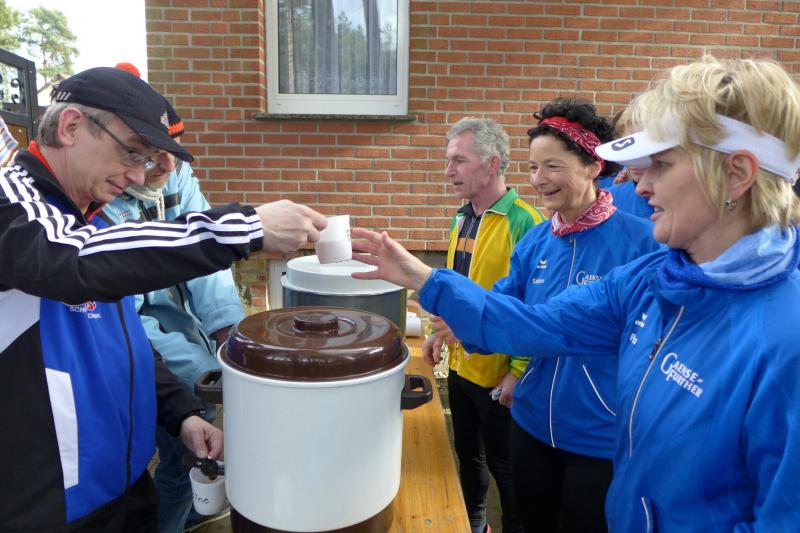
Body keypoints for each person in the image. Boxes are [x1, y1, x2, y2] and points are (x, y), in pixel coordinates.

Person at [351, 55, 800, 531]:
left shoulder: (784, 339)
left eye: (662, 164)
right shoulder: (650, 280)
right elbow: (534, 323)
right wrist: (427, 279)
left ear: (737, 174)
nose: (640, 186)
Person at [0, 67, 326, 531]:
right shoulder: (14, 203)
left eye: (149, 159)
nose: (139, 174)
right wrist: (245, 227)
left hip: (126, 491)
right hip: (48, 509)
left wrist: (181, 413)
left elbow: (123, 339)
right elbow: (71, 261)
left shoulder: (92, 219)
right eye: (132, 152)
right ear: (71, 126)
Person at [483, 98, 657, 532]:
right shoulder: (536, 241)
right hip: (530, 423)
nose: (538, 179)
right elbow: (504, 309)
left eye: (553, 166)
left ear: (594, 166)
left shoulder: (643, 243)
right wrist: (458, 319)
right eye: (532, 167)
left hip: (600, 436)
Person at [99, 101, 242, 532]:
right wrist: (202, 370)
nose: (167, 164)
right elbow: (128, 319)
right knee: (179, 452)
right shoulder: (99, 202)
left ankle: (190, 511)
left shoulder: (174, 173)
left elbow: (208, 254)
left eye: (173, 150)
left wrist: (227, 331)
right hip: (139, 350)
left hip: (182, 330)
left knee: (190, 435)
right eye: (151, 153)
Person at [424, 117, 543, 533]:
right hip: (461, 368)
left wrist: (518, 371)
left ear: (492, 164)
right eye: (448, 161)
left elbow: (536, 306)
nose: (448, 171)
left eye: (459, 160)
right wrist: (436, 333)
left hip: (500, 377)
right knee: (469, 462)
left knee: (507, 473)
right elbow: (455, 288)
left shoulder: (526, 222)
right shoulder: (460, 218)